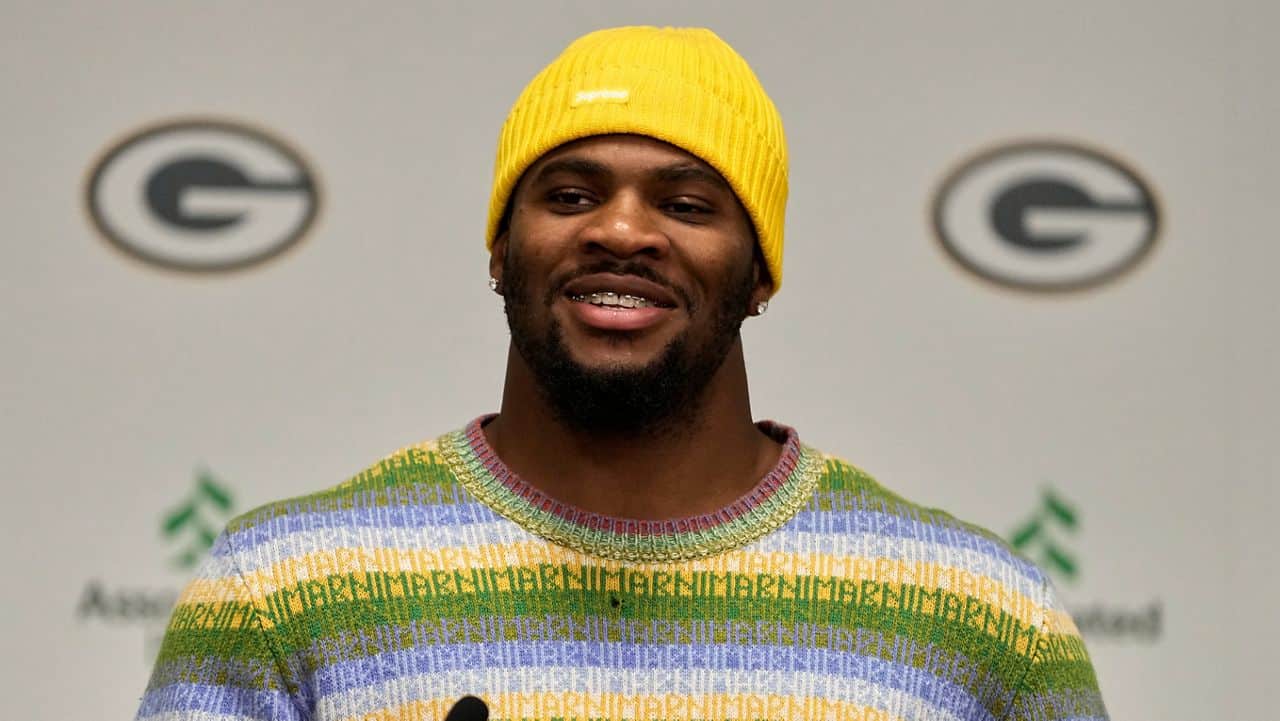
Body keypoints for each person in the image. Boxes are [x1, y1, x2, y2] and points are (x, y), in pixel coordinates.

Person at [136, 26, 1108, 721]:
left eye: (686, 203)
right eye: (567, 193)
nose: (621, 230)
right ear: (498, 251)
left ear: (759, 271)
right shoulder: (280, 592)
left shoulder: (981, 619)